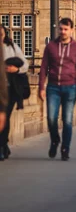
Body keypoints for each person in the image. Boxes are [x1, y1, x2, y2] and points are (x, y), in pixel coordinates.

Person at [38, 17, 76, 161]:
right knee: (51, 118)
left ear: (71, 30)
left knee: (67, 120)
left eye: (66, 29)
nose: (63, 32)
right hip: (53, 86)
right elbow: (43, 67)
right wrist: (41, 86)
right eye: (61, 29)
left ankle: (65, 148)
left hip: (70, 87)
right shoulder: (51, 47)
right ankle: (55, 140)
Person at [0, 25, 29, 160]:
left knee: (4, 117)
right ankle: (4, 145)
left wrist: (15, 70)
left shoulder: (11, 47)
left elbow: (25, 64)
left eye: (1, 35)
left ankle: (1, 146)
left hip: (9, 89)